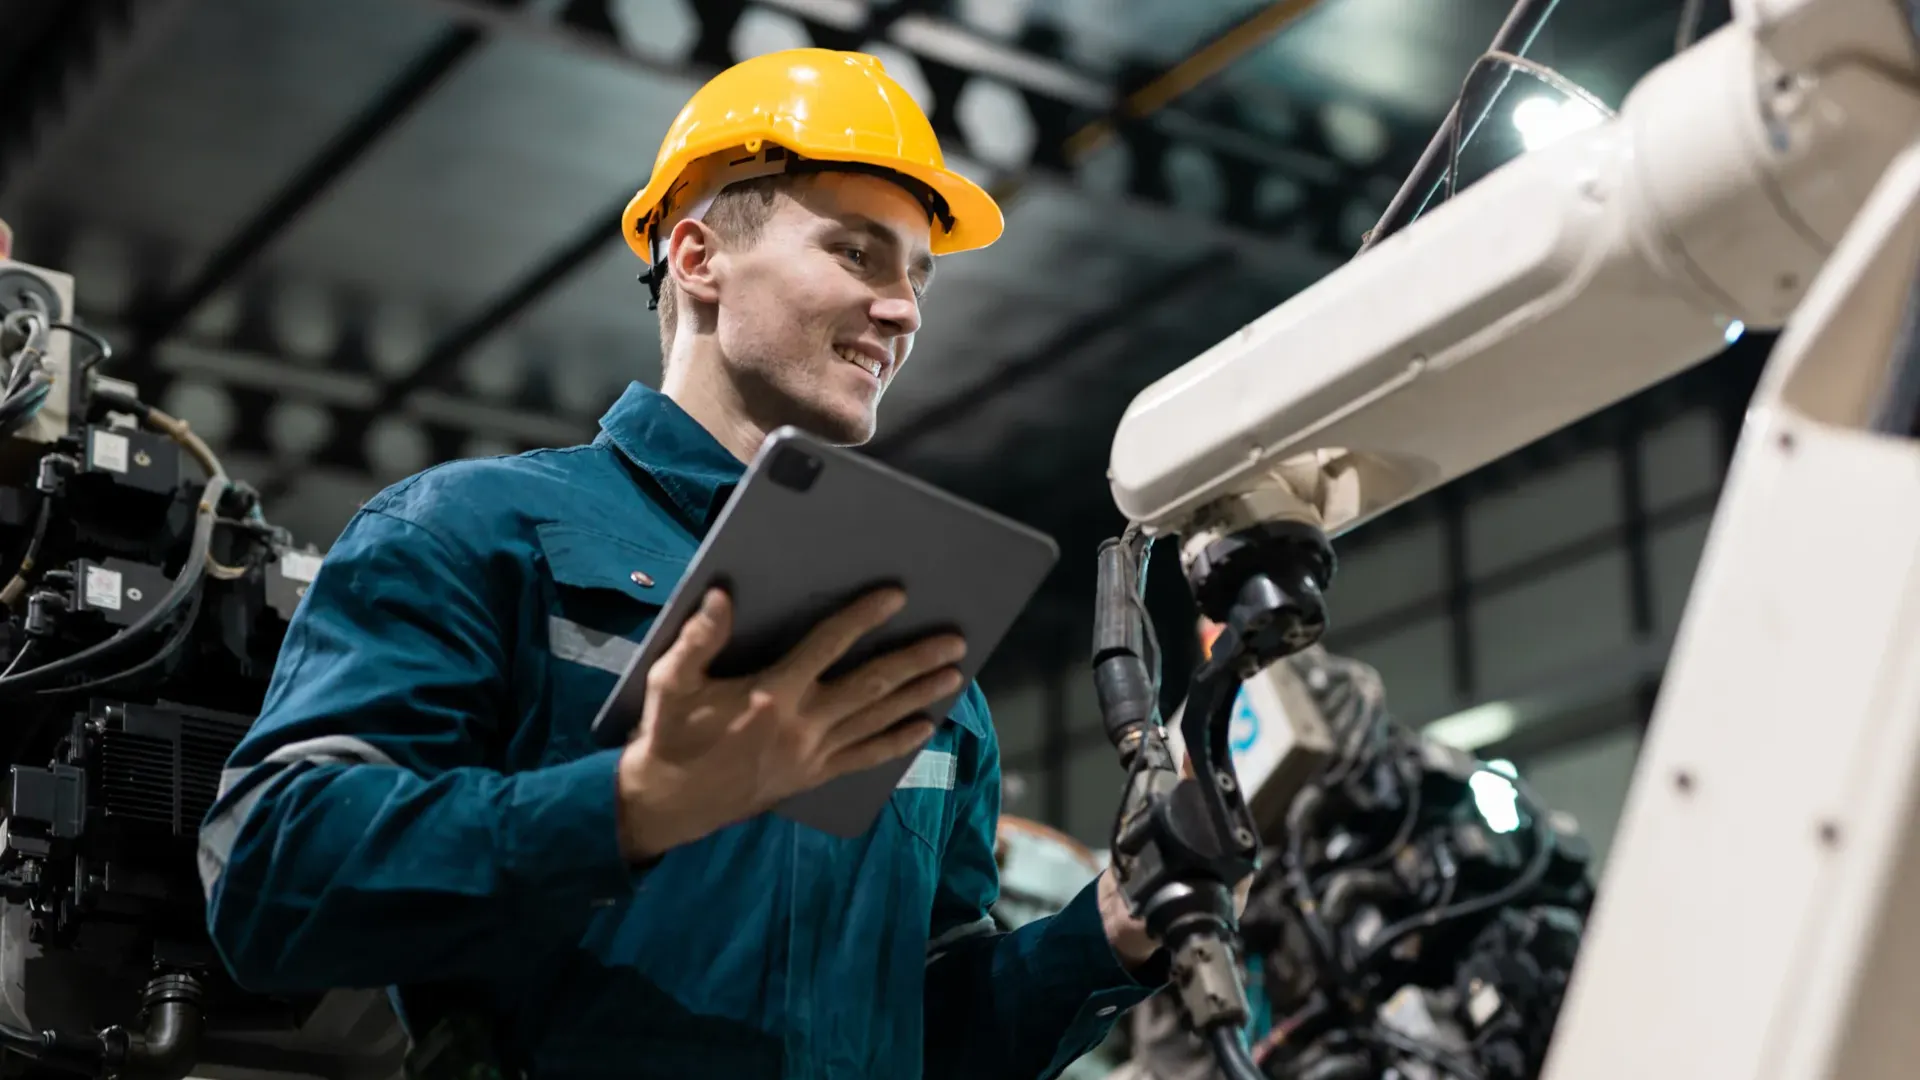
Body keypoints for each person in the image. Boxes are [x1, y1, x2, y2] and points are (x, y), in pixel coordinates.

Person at [199, 48, 1188, 1080]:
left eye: (918, 275)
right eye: (858, 255)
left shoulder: (912, 644)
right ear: (698, 256)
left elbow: (926, 1025)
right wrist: (632, 805)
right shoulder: (475, 532)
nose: (905, 310)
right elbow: (273, 875)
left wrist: (1108, 933)